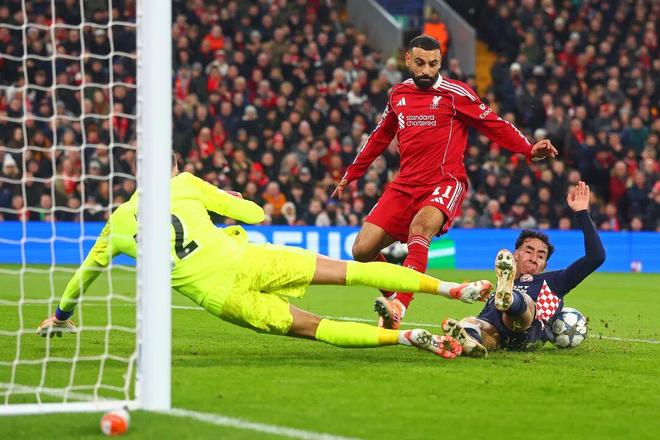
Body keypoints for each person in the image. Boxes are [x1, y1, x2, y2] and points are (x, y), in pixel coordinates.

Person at [37, 156, 494, 360]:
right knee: (352, 271)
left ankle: (407, 338)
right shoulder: (186, 184)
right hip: (249, 259)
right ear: (174, 169)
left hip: (220, 297)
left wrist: (61, 315)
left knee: (315, 328)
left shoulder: (117, 222)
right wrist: (232, 199)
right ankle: (453, 290)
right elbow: (255, 214)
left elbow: (85, 274)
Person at [332, 35, 557, 329]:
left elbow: (493, 123)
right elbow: (379, 137)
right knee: (362, 250)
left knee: (420, 229)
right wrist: (351, 174)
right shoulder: (398, 95)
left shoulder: (455, 93)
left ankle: (400, 305)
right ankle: (392, 294)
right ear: (408, 60)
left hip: (444, 181)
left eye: (433, 64)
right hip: (405, 184)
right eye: (420, 63)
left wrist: (528, 148)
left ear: (440, 62)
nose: (427, 70)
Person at [442, 181, 606, 357]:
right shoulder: (497, 291)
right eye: (529, 251)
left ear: (544, 266)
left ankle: (512, 300)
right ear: (515, 255)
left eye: (541, 256)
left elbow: (596, 257)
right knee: (474, 322)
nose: (534, 258)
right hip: (501, 337)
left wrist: (582, 213)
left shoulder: (554, 281)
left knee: (524, 301)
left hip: (528, 331)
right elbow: (486, 320)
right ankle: (468, 342)